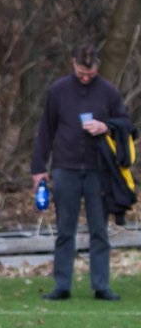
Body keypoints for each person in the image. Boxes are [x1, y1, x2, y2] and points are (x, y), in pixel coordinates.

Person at [31, 43, 128, 301]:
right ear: (73, 63)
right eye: (82, 73)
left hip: (99, 171)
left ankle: (101, 285)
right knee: (65, 230)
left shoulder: (109, 92)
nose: (86, 77)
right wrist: (38, 169)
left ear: (97, 67)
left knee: (99, 230)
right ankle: (62, 284)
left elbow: (126, 125)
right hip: (65, 169)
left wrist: (105, 127)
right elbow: (46, 130)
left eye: (91, 74)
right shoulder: (58, 91)